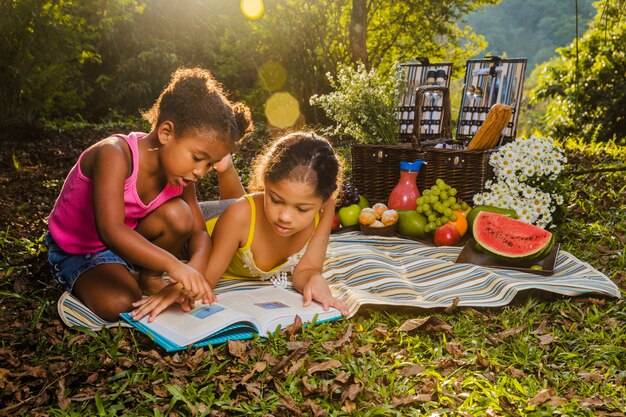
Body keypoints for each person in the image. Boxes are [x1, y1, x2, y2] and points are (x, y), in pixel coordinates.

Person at [45, 67, 253, 322]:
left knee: (180, 215)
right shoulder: (114, 154)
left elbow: (198, 232)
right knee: (121, 304)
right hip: (77, 249)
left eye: (210, 164)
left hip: (126, 246)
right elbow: (110, 230)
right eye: (198, 157)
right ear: (166, 133)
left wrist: (191, 273)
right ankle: (118, 275)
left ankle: (147, 276)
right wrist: (174, 266)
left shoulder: (182, 175)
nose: (201, 171)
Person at [131, 132, 350, 322]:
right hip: (203, 227)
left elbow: (307, 270)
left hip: (238, 217)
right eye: (275, 199)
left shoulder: (322, 213)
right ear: (265, 184)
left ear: (324, 202)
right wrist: (178, 289)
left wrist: (315, 280)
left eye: (302, 209)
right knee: (213, 210)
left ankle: (227, 169)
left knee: (239, 206)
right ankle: (226, 169)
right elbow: (207, 277)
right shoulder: (240, 214)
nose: (285, 216)